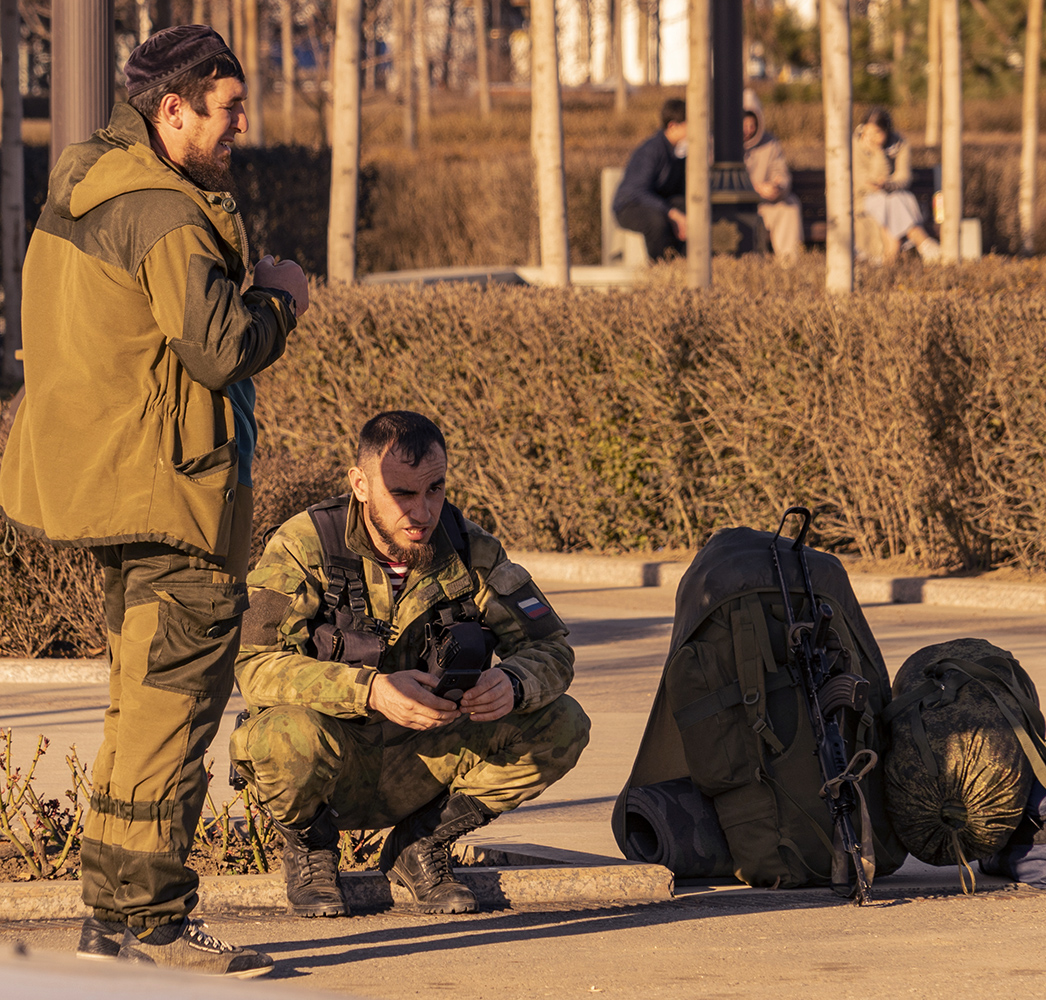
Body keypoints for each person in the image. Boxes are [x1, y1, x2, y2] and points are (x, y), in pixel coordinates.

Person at [0, 25, 308, 978]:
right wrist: (283, 298)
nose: (241, 126)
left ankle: (108, 917)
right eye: (227, 108)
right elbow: (219, 348)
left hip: (113, 492)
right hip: (176, 497)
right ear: (170, 109)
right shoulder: (167, 213)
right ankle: (157, 923)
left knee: (138, 709)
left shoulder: (87, 190)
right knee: (174, 713)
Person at [231, 410, 591, 918]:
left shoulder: (471, 551)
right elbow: (252, 664)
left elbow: (552, 649)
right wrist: (369, 689)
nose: (422, 511)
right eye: (402, 493)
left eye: (435, 489)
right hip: (333, 756)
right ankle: (310, 850)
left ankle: (421, 845)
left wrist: (512, 681)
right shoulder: (304, 545)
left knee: (563, 722)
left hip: (427, 756)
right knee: (279, 735)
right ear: (360, 484)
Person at [853, 107, 941, 263]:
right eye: (868, 132)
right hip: (862, 199)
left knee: (894, 200)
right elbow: (863, 182)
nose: (871, 137)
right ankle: (923, 243)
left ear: (887, 132)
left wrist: (888, 184)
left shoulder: (900, 144)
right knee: (887, 201)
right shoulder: (855, 145)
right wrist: (878, 153)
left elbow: (904, 177)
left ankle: (890, 258)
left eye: (877, 133)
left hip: (892, 194)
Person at [612, 98, 688, 262]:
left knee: (690, 209)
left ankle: (683, 263)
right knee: (657, 222)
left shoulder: (678, 151)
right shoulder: (651, 150)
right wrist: (672, 213)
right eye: (687, 126)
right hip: (630, 206)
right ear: (673, 126)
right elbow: (638, 191)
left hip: (658, 203)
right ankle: (660, 267)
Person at [742, 90, 804, 265]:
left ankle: (789, 263)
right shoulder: (717, 142)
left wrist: (778, 187)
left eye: (751, 125)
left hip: (764, 206)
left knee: (789, 206)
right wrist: (754, 187)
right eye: (743, 125)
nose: (747, 131)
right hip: (734, 207)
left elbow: (780, 171)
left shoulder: (770, 143)